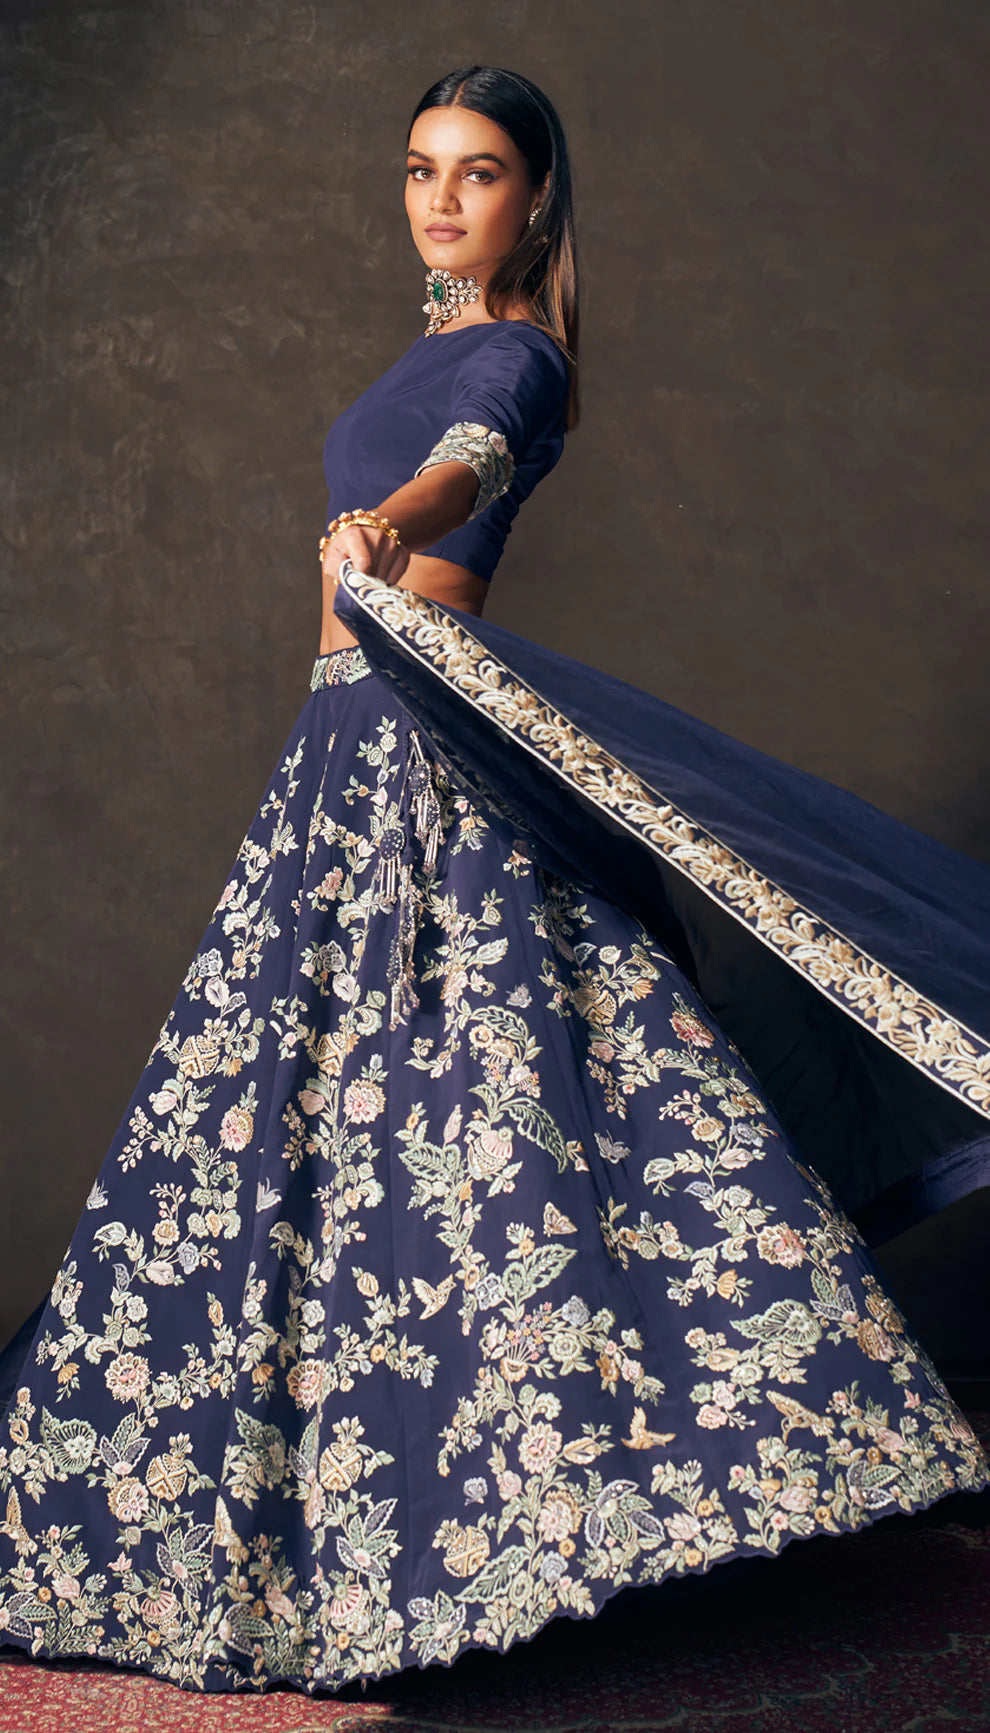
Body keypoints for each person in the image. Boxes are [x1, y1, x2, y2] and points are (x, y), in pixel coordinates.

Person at [0, 64, 988, 1700]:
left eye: (477, 174)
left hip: (428, 760)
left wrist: (387, 520)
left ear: (538, 200)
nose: (441, 200)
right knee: (325, 1132)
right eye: (418, 170)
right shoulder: (427, 339)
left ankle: (552, 1498)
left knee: (489, 1120)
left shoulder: (519, 355)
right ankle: (351, 1501)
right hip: (340, 745)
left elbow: (464, 460)